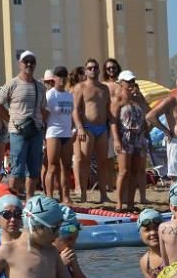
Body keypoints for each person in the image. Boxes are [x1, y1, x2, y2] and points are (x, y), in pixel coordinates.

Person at [0, 50, 46, 199]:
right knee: (17, 170)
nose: (29, 64)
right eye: (26, 61)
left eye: (32, 61)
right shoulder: (12, 84)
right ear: (20, 64)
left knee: (34, 170)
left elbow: (44, 109)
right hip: (18, 132)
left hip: (35, 131)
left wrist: (41, 125)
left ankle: (29, 201)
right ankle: (11, 202)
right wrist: (10, 119)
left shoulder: (40, 86)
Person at [72, 59, 113, 204]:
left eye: (95, 67)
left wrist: (113, 125)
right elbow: (75, 110)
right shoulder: (80, 87)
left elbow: (108, 109)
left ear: (99, 70)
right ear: (85, 70)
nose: (93, 70)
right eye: (90, 68)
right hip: (87, 128)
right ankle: (83, 193)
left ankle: (103, 194)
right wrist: (80, 128)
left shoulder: (104, 88)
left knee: (103, 163)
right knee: (85, 162)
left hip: (102, 128)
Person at [111, 71, 149, 211]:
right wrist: (116, 139)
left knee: (135, 171)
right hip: (125, 136)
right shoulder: (118, 99)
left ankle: (131, 203)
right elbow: (113, 121)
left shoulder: (138, 97)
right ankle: (120, 203)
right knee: (124, 171)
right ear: (121, 83)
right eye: (128, 81)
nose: (131, 84)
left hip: (139, 136)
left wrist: (140, 98)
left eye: (132, 81)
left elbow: (148, 112)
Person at [43, 65, 74, 204]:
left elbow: (73, 115)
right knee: (53, 166)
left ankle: (65, 196)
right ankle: (49, 197)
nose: (61, 78)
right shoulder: (50, 94)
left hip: (67, 134)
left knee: (66, 167)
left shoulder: (69, 95)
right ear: (54, 78)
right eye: (59, 75)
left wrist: (74, 130)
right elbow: (43, 115)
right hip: (53, 133)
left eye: (64, 75)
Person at [136, 208, 165, 278]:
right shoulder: (145, 262)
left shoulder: (175, 251)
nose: (153, 232)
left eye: (156, 228)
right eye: (147, 230)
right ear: (140, 235)